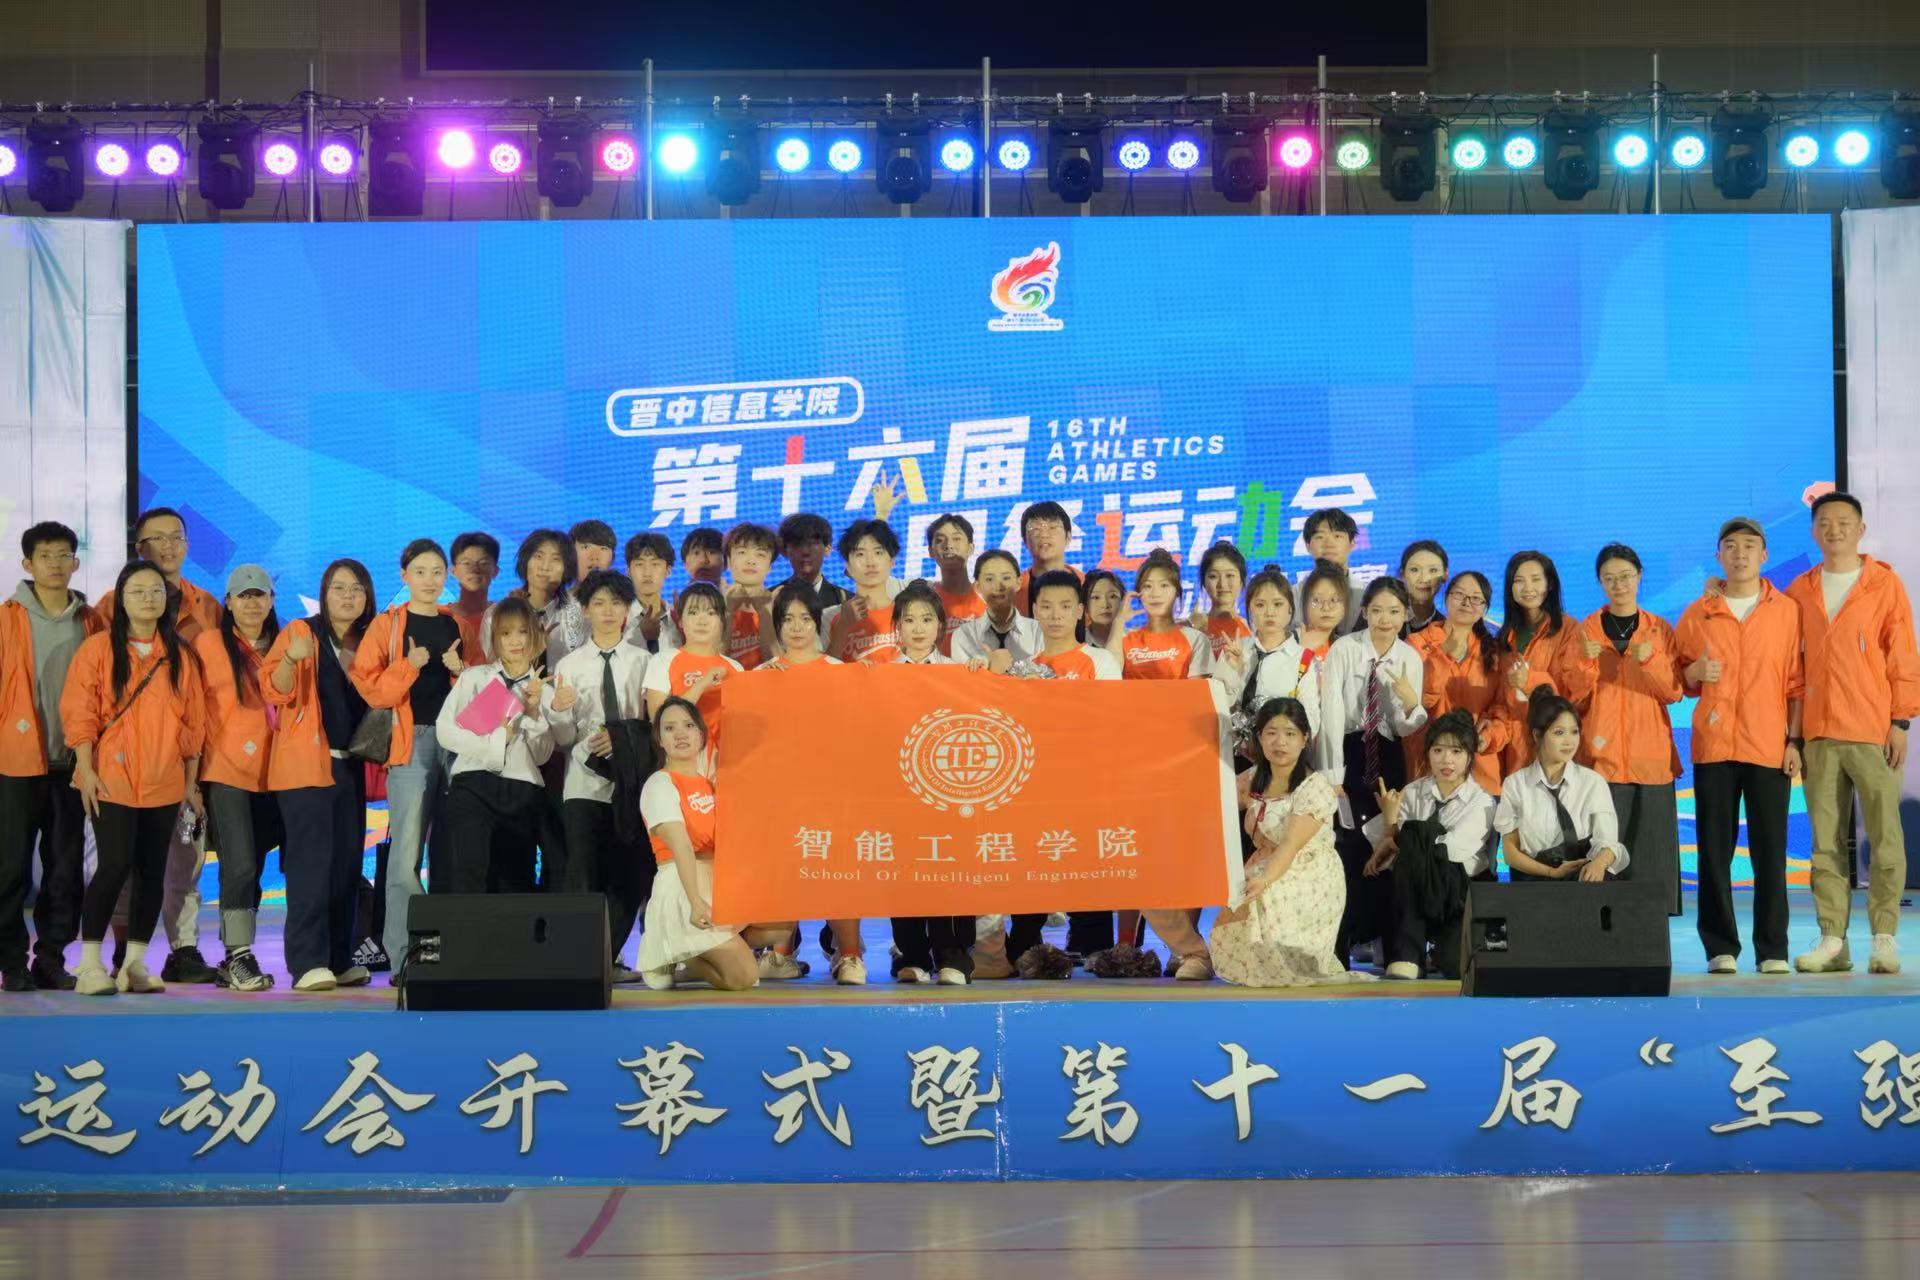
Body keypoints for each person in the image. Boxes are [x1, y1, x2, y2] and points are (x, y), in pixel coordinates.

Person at [1787, 492, 1920, 975]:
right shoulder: (1799, 590)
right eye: (1825, 522)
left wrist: (1900, 721)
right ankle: (1832, 940)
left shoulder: (1884, 584)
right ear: (1814, 531)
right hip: (1820, 735)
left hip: (1872, 731)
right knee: (1825, 843)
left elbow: (1902, 655)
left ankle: (1884, 938)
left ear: (1860, 530)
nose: (1834, 530)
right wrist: (1794, 738)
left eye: (1844, 522)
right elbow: (1792, 667)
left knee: (1885, 837)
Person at [64, 560, 206, 996]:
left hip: (165, 780)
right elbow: (80, 712)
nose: (149, 598)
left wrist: (190, 784)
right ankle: (90, 965)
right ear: (121, 600)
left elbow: (193, 725)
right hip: (112, 778)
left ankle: (134, 965)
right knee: (113, 866)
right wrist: (86, 769)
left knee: (151, 871)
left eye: (157, 591)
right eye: (139, 591)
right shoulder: (98, 650)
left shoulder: (180, 655)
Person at [93, 508, 222, 985]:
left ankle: (183, 949)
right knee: (125, 862)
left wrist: (197, 768)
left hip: (188, 758)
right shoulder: (110, 606)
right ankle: (123, 951)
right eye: (157, 539)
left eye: (176, 537)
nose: (168, 546)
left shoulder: (206, 606)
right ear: (139, 548)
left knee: (186, 858)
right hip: (125, 763)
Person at [974, 570, 1122, 981]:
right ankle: (1024, 943)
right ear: (1034, 611)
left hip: (1087, 782)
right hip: (1036, 787)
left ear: (1080, 611)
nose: (1056, 615)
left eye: (1065, 606)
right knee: (1034, 861)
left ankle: (1093, 945)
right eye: (1047, 606)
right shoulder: (1025, 668)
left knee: (1088, 863)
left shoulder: (1100, 661)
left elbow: (1112, 720)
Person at [1675, 518, 1803, 975]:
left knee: (1771, 854)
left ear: (1764, 555)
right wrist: (1693, 674)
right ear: (1719, 556)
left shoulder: (1787, 611)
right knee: (1714, 853)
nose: (1740, 554)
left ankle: (1773, 949)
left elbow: (1796, 683)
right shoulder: (1699, 613)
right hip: (1714, 747)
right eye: (1730, 546)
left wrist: (1794, 740)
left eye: (1749, 546)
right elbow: (1677, 677)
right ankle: (1719, 947)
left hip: (1768, 746)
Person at [351, 538, 466, 981]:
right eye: (420, 571)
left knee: (450, 852)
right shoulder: (389, 625)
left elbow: (479, 691)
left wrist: (459, 671)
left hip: (455, 744)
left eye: (437, 571)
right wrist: (409, 665)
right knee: (405, 856)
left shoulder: (455, 623)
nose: (429, 580)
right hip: (410, 743)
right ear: (404, 576)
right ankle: (405, 955)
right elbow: (371, 689)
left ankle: (443, 952)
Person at [263, 558, 376, 993]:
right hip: (306, 767)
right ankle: (307, 961)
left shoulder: (370, 640)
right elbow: (274, 689)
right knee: (311, 866)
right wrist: (290, 660)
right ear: (324, 594)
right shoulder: (301, 633)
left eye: (357, 588)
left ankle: (339, 957)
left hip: (351, 765)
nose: (348, 596)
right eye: (339, 588)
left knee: (347, 865)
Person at [1552, 543, 1683, 915]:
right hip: (1601, 759)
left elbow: (1674, 691)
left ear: (1639, 577)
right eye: (1609, 578)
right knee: (1600, 855)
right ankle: (1600, 930)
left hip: (1651, 758)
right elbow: (1572, 696)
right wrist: (1586, 663)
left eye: (1625, 576)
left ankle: (1651, 932)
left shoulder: (1660, 629)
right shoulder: (1586, 631)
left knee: (1651, 857)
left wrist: (1652, 660)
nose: (1618, 585)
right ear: (1599, 582)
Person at [0, 521, 100, 992]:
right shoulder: (7, 620)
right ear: (27, 564)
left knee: (65, 869)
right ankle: (11, 963)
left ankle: (51, 959)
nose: (56, 564)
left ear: (76, 562)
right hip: (15, 765)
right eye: (45, 556)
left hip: (73, 766)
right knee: (9, 869)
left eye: (64, 555)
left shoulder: (92, 623)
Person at [1211, 697, 1374, 987]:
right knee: (1239, 896)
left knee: (1263, 894)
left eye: (1289, 733)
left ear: (1304, 739)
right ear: (1259, 737)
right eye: (1271, 733)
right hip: (1265, 863)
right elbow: (1212, 806)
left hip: (1309, 872)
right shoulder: (1250, 779)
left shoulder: (1315, 787)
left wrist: (1264, 880)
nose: (1280, 742)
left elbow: (1289, 845)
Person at [636, 697, 795, 991]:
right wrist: (695, 903)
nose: (680, 734)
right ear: (659, 739)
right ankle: (670, 950)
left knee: (783, 924)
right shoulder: (660, 784)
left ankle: (696, 954)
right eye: (669, 728)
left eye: (688, 726)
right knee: (743, 978)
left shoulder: (708, 783)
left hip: (717, 885)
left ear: (701, 735)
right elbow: (681, 846)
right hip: (684, 886)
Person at [1316, 576, 1427, 967]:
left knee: (1387, 845)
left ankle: (1391, 948)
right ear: (1364, 611)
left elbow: (1406, 727)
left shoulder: (1410, 657)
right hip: (1349, 750)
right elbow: (1331, 711)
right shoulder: (1345, 649)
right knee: (1347, 849)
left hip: (1388, 753)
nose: (1385, 619)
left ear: (1406, 614)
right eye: (1377, 610)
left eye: (1394, 611)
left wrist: (1411, 704)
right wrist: (1332, 775)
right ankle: (1338, 952)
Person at [551, 570, 653, 980]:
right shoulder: (569, 664)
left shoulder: (645, 662)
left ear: (628, 609)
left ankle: (607, 958)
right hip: (583, 781)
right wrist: (559, 712)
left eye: (616, 603)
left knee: (631, 873)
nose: (608, 611)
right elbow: (563, 738)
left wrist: (622, 740)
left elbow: (653, 725)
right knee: (583, 873)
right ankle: (577, 963)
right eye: (599, 603)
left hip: (631, 783)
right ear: (586, 610)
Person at [192, 565, 285, 992]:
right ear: (227, 602)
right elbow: (193, 708)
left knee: (254, 868)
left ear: (271, 600)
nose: (252, 603)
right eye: (242, 596)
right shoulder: (209, 644)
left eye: (259, 595)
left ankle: (236, 956)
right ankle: (239, 954)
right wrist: (191, 775)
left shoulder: (286, 644)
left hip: (276, 771)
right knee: (240, 864)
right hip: (225, 769)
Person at [438, 598, 559, 899]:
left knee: (515, 882)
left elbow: (542, 755)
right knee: (469, 874)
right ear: (494, 638)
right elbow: (445, 732)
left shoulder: (545, 690)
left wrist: (534, 713)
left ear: (535, 636)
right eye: (506, 633)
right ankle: (467, 932)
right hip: (472, 783)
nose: (515, 641)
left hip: (521, 788)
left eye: (522, 632)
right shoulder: (474, 678)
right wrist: (494, 743)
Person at [1364, 709, 1497, 981]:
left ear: (1470, 756)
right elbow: (1389, 845)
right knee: (1409, 842)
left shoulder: (1481, 801)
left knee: (1452, 965)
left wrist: (1398, 835)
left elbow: (1453, 850)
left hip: (1458, 890)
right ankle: (1408, 954)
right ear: (1428, 754)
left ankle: (1422, 951)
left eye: (1456, 751)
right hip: (1415, 891)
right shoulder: (1414, 791)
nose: (1446, 760)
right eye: (1438, 750)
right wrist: (1391, 828)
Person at [1496, 687, 1631, 883]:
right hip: (1534, 880)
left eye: (1574, 732)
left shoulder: (1593, 782)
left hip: (1581, 880)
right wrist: (1552, 873)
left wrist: (1599, 863)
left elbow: (1609, 843)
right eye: (1559, 732)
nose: (1569, 741)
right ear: (1537, 735)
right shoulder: (1515, 784)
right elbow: (1511, 853)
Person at [1417, 571, 1506, 792]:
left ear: (1485, 608)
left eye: (1476, 598)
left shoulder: (1494, 652)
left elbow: (1503, 711)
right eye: (1459, 594)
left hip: (1481, 772)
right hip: (1430, 769)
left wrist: (1487, 737)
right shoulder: (1418, 643)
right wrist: (1441, 655)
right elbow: (1422, 702)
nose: (1466, 603)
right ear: (1446, 597)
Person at [1491, 552, 1574, 776]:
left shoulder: (1569, 629)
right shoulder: (1504, 637)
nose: (1528, 588)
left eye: (1536, 579)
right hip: (1513, 747)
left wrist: (1530, 682)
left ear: (1549, 584)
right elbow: (1500, 700)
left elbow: (1572, 691)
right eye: (1519, 580)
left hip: (1553, 742)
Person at [643, 582, 744, 755]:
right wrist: (702, 684)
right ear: (680, 621)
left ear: (722, 621)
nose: (702, 621)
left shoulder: (735, 667)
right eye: (693, 612)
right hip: (684, 760)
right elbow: (659, 721)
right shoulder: (662, 661)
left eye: (711, 613)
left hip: (729, 759)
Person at [1230, 567, 1321, 738]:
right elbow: (1217, 706)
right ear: (1249, 609)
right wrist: (1232, 672)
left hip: (1281, 748)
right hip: (1235, 748)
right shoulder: (1234, 649)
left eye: (1278, 604)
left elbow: (1311, 721)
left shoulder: (1303, 659)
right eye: (1260, 605)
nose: (1269, 612)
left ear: (1290, 609)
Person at [485, 529, 584, 671]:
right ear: (525, 561)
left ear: (567, 567)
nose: (545, 567)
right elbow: (489, 673)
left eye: (556, 559)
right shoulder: (495, 615)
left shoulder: (579, 614)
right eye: (538, 556)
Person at [1111, 549, 1213, 680]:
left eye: (1164, 585)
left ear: (1177, 591)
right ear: (1138, 593)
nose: (1155, 593)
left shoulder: (1195, 639)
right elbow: (1107, 680)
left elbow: (1198, 690)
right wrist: (1118, 621)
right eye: (1147, 586)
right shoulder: (1124, 637)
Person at [824, 520, 904, 664]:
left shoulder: (909, 613)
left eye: (878, 552)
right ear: (847, 566)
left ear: (892, 561)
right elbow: (822, 672)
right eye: (860, 554)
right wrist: (843, 626)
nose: (870, 562)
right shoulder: (830, 617)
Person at [949, 549, 1042, 663]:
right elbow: (962, 675)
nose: (998, 586)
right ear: (977, 587)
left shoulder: (1038, 631)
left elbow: (1046, 672)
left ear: (1018, 583)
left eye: (1006, 578)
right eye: (989, 579)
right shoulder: (964, 635)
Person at [720, 523, 779, 670]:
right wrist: (728, 612)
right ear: (728, 562)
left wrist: (765, 613)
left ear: (770, 566)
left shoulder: (781, 606)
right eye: (742, 552)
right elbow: (711, 665)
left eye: (760, 554)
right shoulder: (713, 605)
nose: (751, 561)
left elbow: (779, 665)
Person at [926, 514, 987, 652]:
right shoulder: (924, 599)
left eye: (956, 539)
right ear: (930, 551)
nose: (948, 545)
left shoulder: (988, 597)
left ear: (971, 548)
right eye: (940, 540)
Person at [1015, 500, 1081, 614]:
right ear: (1025, 541)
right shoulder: (1014, 591)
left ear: (1068, 537)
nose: (1044, 535)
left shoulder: (1087, 586)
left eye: (1052, 527)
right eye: (1035, 528)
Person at [772, 513, 849, 609]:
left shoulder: (848, 602)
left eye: (812, 544)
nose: (805, 552)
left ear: (827, 548)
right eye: (797, 544)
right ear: (785, 550)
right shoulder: (770, 601)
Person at [1302, 508, 1362, 631]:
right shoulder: (1294, 594)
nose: (1329, 544)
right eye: (1320, 537)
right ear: (1308, 546)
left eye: (1337, 536)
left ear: (1352, 544)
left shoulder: (1365, 594)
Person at [623, 532, 681, 654]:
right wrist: (640, 636)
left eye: (655, 564)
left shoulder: (678, 619)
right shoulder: (618, 617)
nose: (647, 573)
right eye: (639, 564)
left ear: (668, 570)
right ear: (628, 571)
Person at [1193, 541, 1251, 661]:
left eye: (1230, 575)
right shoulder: (1193, 628)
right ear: (1204, 583)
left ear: (1241, 581)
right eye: (1213, 576)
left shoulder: (1252, 628)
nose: (1222, 584)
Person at [448, 532, 500, 666]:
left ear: (495, 571)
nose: (474, 569)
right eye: (466, 563)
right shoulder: (440, 617)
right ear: (453, 571)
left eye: (483, 563)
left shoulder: (504, 616)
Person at [1294, 561, 1350, 664]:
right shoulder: (1288, 643)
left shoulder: (1347, 648)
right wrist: (1305, 653)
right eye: (1317, 600)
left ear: (1344, 608)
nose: (1326, 608)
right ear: (1305, 605)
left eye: (1334, 600)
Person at [1400, 540, 1450, 639]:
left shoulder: (1448, 631)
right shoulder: (1380, 621)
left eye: (1433, 570)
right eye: (1415, 570)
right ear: (1403, 574)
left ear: (1445, 575)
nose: (1424, 579)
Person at [1082, 570, 1126, 649]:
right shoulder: (1077, 642)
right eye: (1096, 597)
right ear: (1085, 605)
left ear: (1122, 602)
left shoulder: (1136, 640)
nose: (1105, 605)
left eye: (1112, 596)